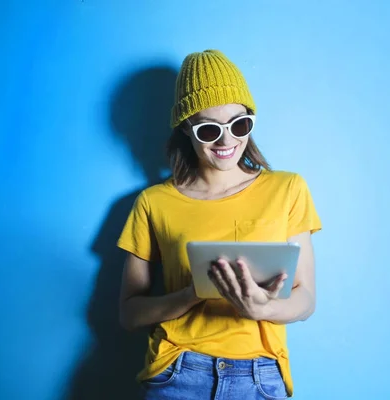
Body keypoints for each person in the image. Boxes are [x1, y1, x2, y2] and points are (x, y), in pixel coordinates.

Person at [118, 49, 321, 399]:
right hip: (177, 373)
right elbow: (129, 313)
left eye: (239, 125)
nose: (227, 141)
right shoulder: (154, 202)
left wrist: (264, 308)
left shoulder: (287, 189)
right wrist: (190, 294)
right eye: (210, 129)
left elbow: (306, 299)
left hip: (258, 375)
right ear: (187, 128)